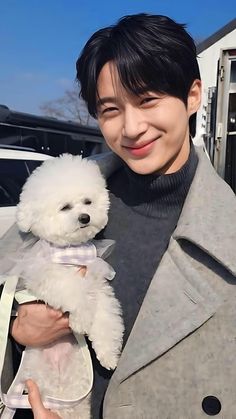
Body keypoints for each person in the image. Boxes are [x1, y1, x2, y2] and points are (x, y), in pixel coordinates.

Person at [1, 13, 236, 419]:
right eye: (110, 109)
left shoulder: (224, 228)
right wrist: (14, 329)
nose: (131, 127)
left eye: (147, 100)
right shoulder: (61, 193)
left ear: (193, 96)